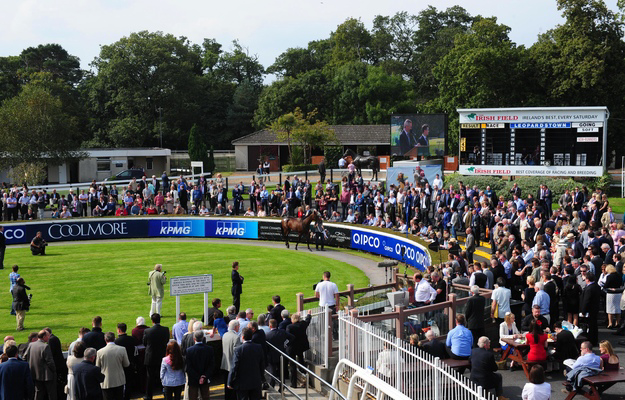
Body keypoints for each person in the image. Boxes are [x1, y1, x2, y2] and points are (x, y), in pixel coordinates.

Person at [227, 327, 265, 400]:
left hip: (242, 383)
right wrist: (261, 377)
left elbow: (234, 367)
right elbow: (262, 365)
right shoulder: (258, 347)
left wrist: (229, 382)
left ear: (243, 337)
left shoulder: (239, 350)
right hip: (255, 381)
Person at [24, 329, 57, 400]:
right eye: (48, 336)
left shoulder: (31, 345)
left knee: (38, 393)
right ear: (44, 336)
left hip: (35, 374)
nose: (49, 337)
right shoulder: (45, 346)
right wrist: (54, 370)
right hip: (47, 375)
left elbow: (25, 357)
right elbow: (50, 361)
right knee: (51, 394)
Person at [143, 313, 170, 400]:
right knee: (163, 375)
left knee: (150, 377)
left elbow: (145, 343)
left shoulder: (147, 331)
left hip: (151, 357)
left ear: (152, 321)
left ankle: (149, 396)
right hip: (161, 356)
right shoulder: (165, 330)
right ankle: (165, 393)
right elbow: (166, 340)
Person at [96, 332, 130, 400]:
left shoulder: (100, 352)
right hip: (119, 380)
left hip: (106, 382)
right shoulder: (122, 349)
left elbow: (97, 367)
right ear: (114, 339)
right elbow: (126, 364)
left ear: (105, 339)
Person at [265, 318, 294, 390]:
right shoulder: (282, 332)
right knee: (282, 372)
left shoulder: (267, 335)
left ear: (270, 326)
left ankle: (272, 385)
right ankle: (282, 387)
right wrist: (286, 344)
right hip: (281, 354)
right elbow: (292, 337)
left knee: (272, 371)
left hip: (272, 356)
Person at [186, 330, 215, 400]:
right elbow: (212, 365)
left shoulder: (189, 350)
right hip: (205, 379)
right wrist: (204, 376)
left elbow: (188, 367)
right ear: (203, 338)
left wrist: (198, 377)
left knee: (193, 397)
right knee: (205, 397)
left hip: (193, 379)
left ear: (194, 339)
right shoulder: (209, 349)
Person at [286, 311, 312, 388]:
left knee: (292, 365)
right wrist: (308, 314)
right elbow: (308, 321)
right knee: (301, 361)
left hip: (292, 348)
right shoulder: (302, 324)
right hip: (301, 347)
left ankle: (293, 383)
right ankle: (304, 375)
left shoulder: (289, 327)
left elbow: (287, 336)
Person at [580, 271, 601, 345]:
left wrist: (583, 311)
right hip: (595, 309)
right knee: (594, 325)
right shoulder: (597, 286)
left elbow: (586, 301)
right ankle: (594, 339)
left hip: (589, 310)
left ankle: (591, 340)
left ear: (588, 279)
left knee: (590, 326)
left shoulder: (589, 288)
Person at [221, 320, 240, 400]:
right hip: (232, 365)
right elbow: (237, 354)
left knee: (226, 386)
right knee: (233, 388)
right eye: (238, 326)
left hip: (225, 364)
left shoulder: (225, 335)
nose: (239, 327)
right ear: (235, 327)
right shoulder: (236, 337)